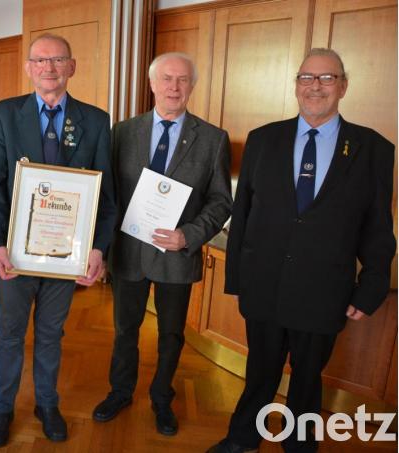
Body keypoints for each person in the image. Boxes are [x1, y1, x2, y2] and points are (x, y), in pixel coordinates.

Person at [207, 48, 396, 453]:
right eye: (307, 77)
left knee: (308, 378)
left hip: (325, 290)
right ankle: (242, 438)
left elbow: (379, 225)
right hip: (265, 285)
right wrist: (237, 277)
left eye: (327, 78)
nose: (316, 87)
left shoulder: (373, 148)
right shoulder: (263, 139)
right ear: (296, 85)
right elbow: (242, 217)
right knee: (260, 372)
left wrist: (372, 286)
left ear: (343, 86)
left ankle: (299, 444)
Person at [0, 33, 116, 447]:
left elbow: (104, 193)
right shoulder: (4, 114)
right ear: (29, 69)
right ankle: (2, 408)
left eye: (57, 60)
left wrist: (97, 249)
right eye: (40, 61)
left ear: (72, 67)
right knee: (9, 333)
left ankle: (47, 403)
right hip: (15, 254)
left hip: (65, 256)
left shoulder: (95, 120)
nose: (49, 68)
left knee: (52, 334)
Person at [91, 52, 232, 435]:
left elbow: (222, 200)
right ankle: (120, 391)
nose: (174, 86)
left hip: (176, 256)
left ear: (192, 86)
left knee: (171, 335)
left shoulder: (213, 139)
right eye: (166, 79)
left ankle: (161, 397)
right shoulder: (122, 132)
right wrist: (99, 247)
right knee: (125, 330)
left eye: (183, 80)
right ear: (152, 84)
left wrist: (189, 234)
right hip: (129, 253)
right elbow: (107, 193)